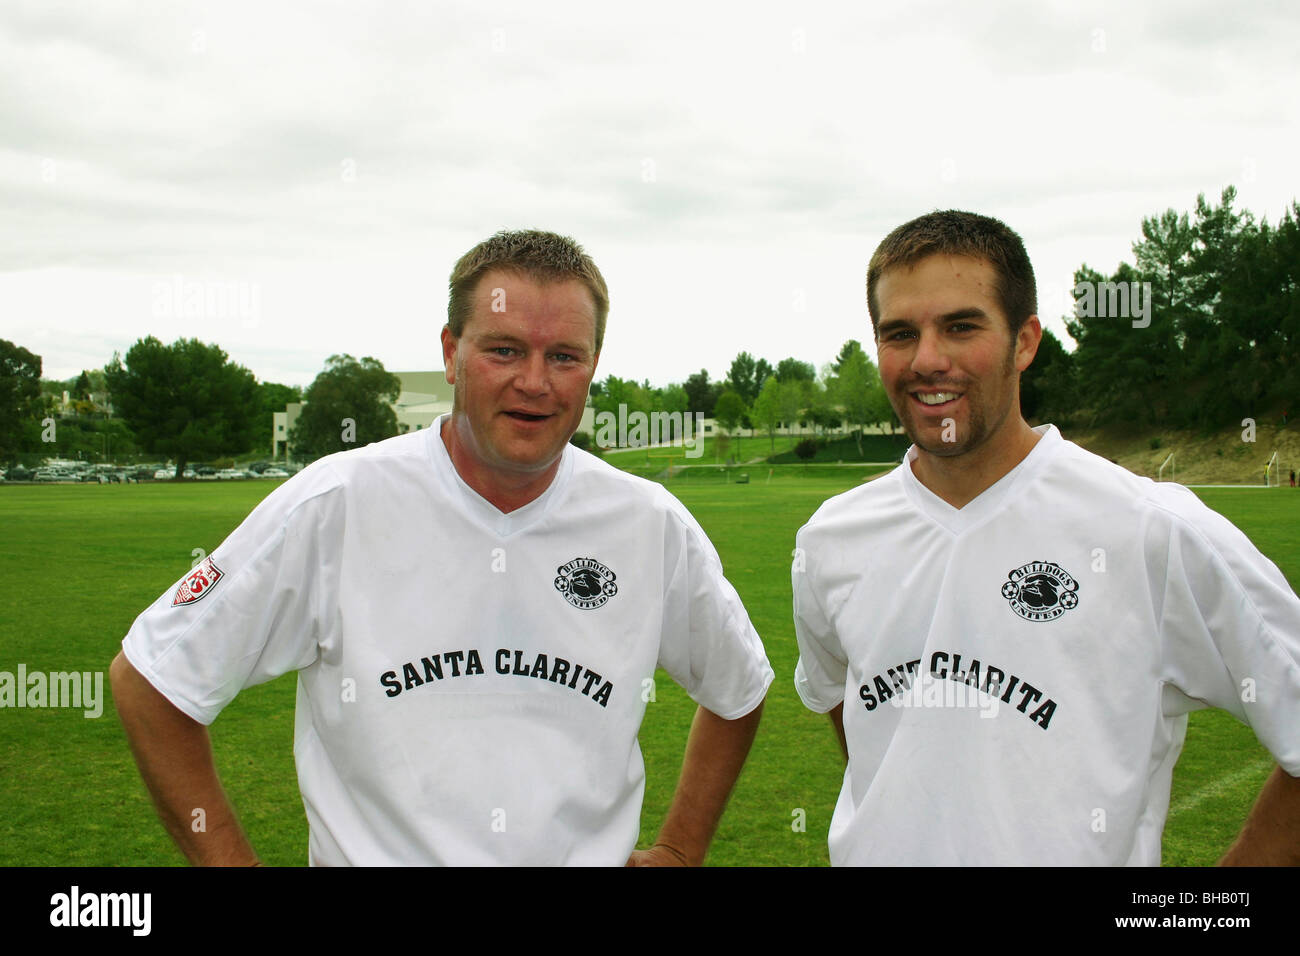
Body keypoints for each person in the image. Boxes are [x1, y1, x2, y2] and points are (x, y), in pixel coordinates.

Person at [111, 229, 772, 866]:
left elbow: (738, 685)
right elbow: (151, 678)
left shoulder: (648, 523)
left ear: (592, 365)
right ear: (452, 352)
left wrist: (682, 850)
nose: (536, 382)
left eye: (564, 356)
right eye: (505, 351)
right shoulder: (336, 503)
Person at [792, 210, 1300, 865]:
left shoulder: (1151, 529)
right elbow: (847, 706)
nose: (927, 360)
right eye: (899, 334)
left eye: (961, 326)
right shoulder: (833, 539)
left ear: (1025, 341)